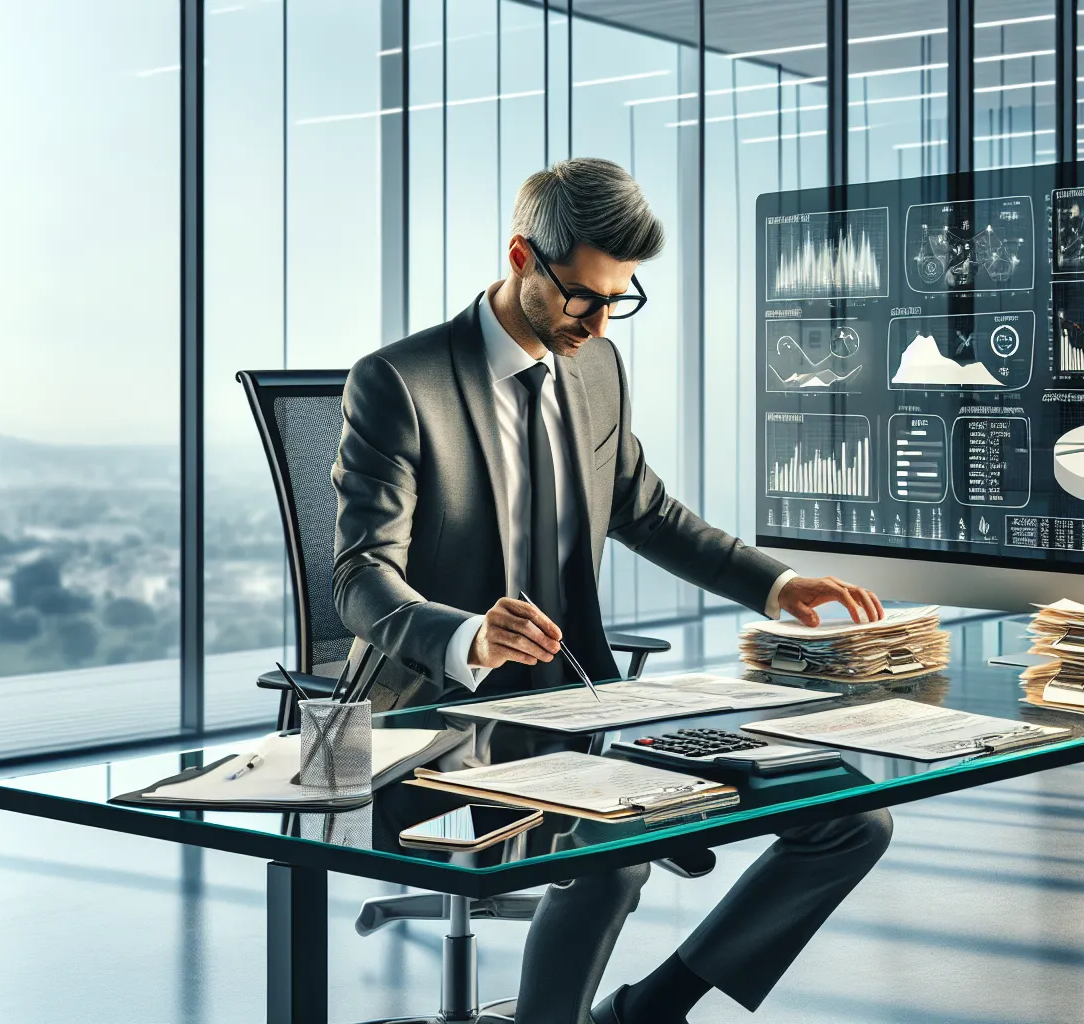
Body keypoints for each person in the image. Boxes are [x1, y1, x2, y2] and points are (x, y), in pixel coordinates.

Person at [330, 157, 893, 1024]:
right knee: (618, 845)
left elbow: (645, 510)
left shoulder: (597, 369)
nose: (597, 321)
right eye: (582, 297)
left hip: (587, 696)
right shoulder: (402, 382)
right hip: (451, 710)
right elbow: (360, 578)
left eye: (617, 299)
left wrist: (775, 584)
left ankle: (650, 1009)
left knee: (854, 820)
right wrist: (469, 633)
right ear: (522, 255)